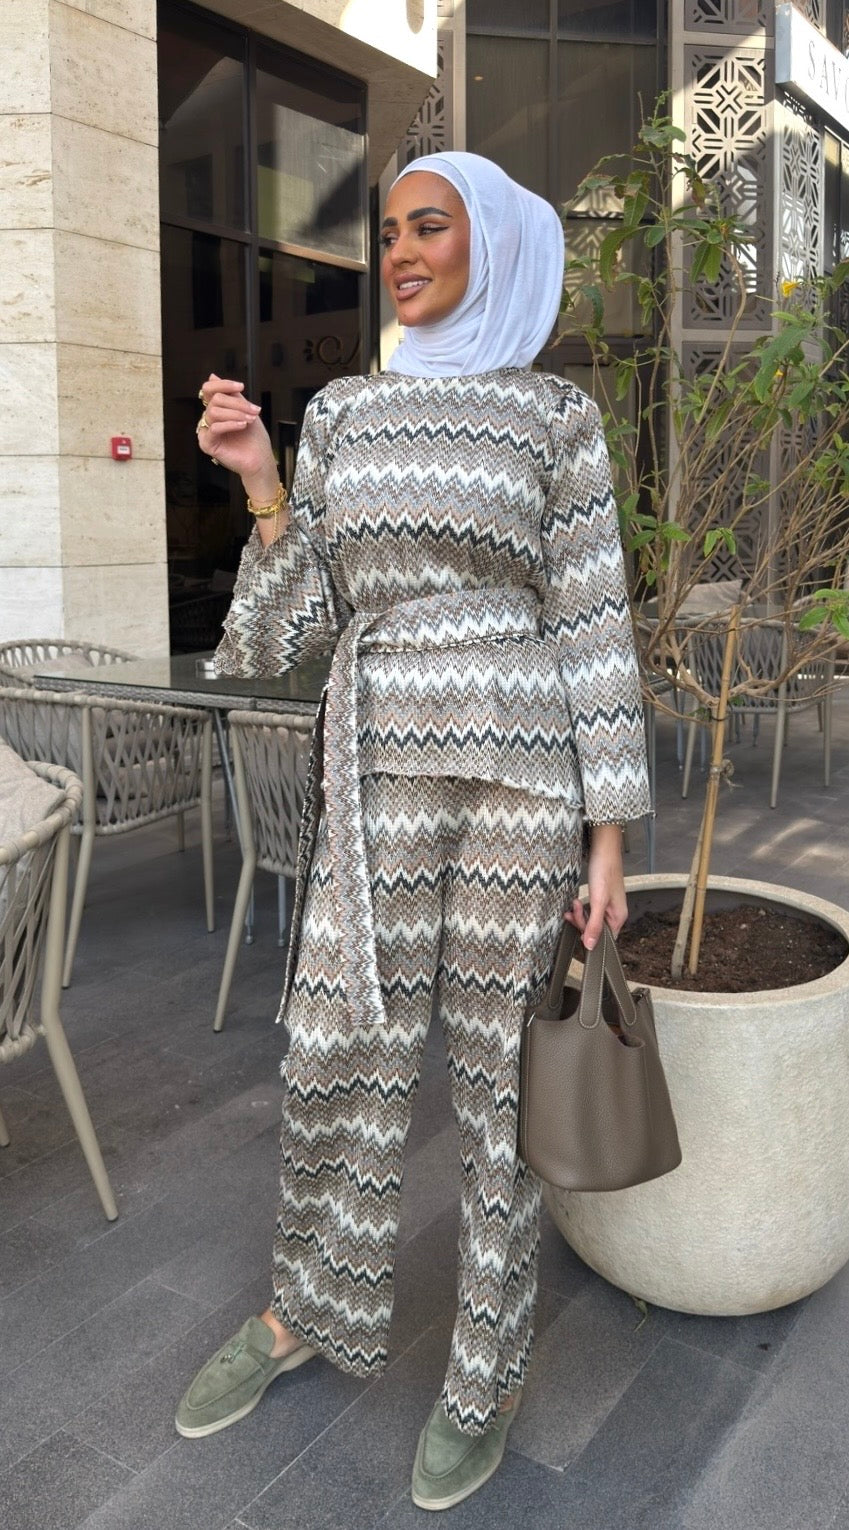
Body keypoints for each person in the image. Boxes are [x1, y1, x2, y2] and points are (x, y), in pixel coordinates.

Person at [176, 151, 651, 1510]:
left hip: (521, 771)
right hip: (377, 754)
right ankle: (304, 1309)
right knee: (335, 1042)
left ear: (486, 241)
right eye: (386, 232)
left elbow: (590, 620)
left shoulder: (553, 415)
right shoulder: (342, 411)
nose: (398, 252)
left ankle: (484, 1368)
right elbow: (287, 629)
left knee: (499, 1079)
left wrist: (610, 835)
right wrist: (262, 481)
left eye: (426, 227)